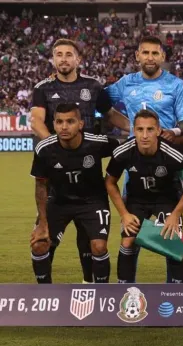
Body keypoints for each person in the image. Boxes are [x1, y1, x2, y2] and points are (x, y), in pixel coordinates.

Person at [30, 38, 130, 284]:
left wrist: (134, 128)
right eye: (58, 54)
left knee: (91, 242)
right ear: (53, 59)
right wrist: (56, 147)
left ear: (78, 59)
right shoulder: (42, 88)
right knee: (43, 241)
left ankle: (92, 286)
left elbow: (110, 114)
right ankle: (45, 297)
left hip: (89, 168)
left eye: (68, 54)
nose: (63, 58)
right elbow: (36, 121)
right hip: (58, 172)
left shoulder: (93, 86)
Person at [106, 36, 183, 283]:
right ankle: (127, 292)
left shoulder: (175, 85)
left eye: (154, 53)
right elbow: (101, 102)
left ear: (162, 57)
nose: (149, 57)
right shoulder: (126, 83)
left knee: (171, 238)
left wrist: (174, 132)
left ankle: (175, 292)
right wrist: (128, 127)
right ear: (137, 56)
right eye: (145, 52)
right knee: (131, 235)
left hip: (167, 162)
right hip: (136, 161)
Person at [105, 109, 183, 283]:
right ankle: (124, 289)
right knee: (128, 241)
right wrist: (124, 214)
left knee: (173, 241)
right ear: (134, 130)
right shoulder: (123, 152)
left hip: (167, 199)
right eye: (140, 130)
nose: (145, 135)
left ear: (158, 130)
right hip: (137, 200)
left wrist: (176, 215)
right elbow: (110, 182)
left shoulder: (174, 154)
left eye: (150, 129)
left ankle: (177, 292)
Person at [30, 103, 119, 284]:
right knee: (39, 245)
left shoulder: (97, 143)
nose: (64, 127)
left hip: (92, 202)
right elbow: (40, 186)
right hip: (58, 202)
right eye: (59, 122)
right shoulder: (45, 149)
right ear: (53, 124)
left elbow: (124, 152)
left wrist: (112, 175)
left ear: (80, 124)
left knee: (99, 246)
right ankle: (45, 294)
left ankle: (102, 294)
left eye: (70, 121)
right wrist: (42, 222)